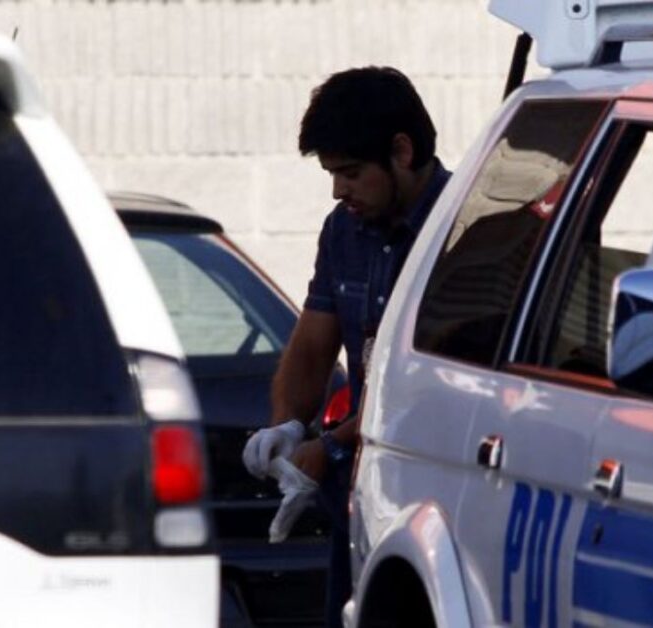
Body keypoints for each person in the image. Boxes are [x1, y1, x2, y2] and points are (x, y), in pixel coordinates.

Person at [241, 66, 450, 628]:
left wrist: (328, 447)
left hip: (440, 508)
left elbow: (424, 382)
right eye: (333, 174)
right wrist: (285, 426)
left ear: (401, 152)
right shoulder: (344, 230)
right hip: (364, 504)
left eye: (351, 173)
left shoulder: (462, 234)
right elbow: (313, 344)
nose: (339, 191)